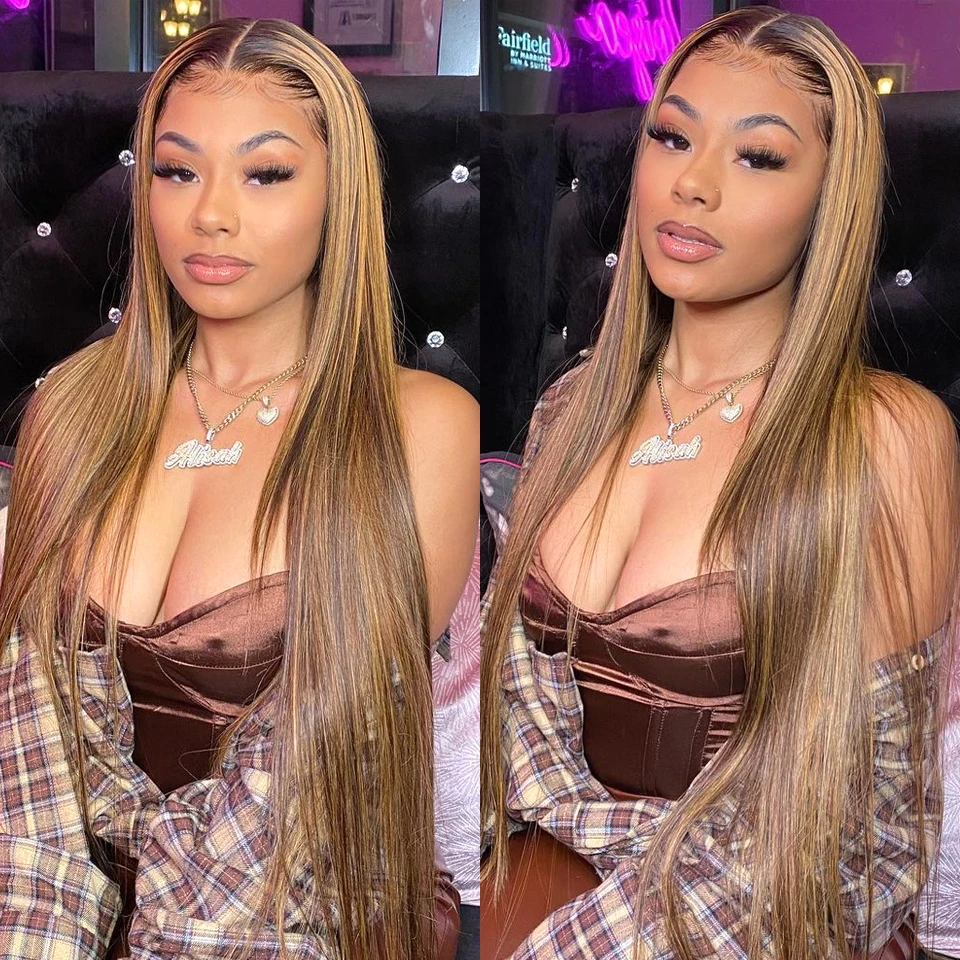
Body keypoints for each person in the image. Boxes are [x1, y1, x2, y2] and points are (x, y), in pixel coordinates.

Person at [480, 7, 960, 959]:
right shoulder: (572, 407)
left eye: (759, 157)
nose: (692, 183)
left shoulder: (884, 436)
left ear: (829, 200)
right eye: (672, 136)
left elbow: (871, 842)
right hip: (535, 889)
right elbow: (507, 741)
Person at [0, 17, 478, 960]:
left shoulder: (418, 426)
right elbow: (25, 746)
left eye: (265, 174)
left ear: (339, 192)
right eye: (177, 171)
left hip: (297, 904)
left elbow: (322, 770)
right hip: (56, 901)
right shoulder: (71, 409)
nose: (210, 213)